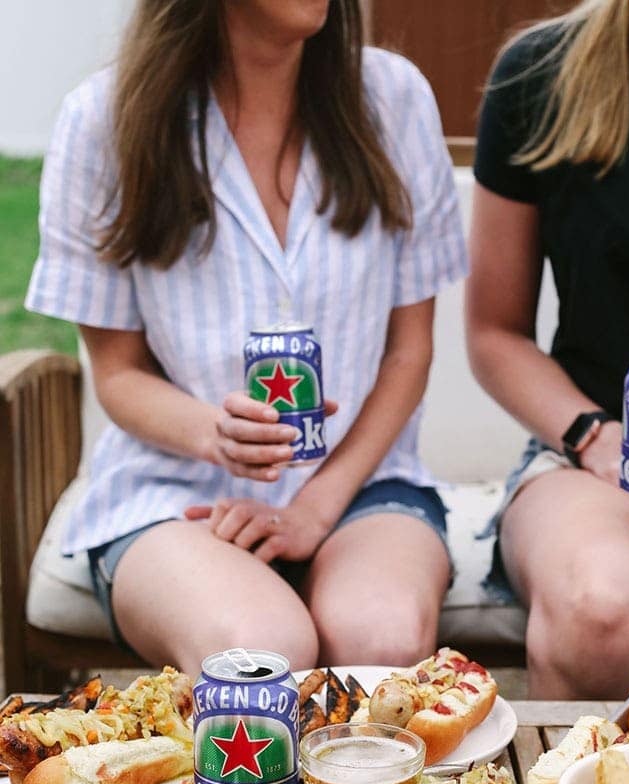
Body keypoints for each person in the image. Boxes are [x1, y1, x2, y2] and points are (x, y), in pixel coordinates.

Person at [26, 0, 467, 683]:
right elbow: (117, 373)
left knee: (382, 636)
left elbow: (409, 352)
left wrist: (315, 508)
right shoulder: (104, 121)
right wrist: (214, 432)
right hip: (173, 495)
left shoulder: (394, 98)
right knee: (260, 650)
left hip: (363, 486)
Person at [467, 0, 629, 700]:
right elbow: (493, 333)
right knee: (602, 604)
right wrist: (590, 436)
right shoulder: (538, 72)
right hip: (585, 451)